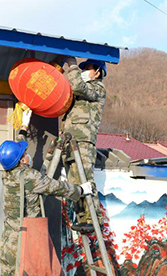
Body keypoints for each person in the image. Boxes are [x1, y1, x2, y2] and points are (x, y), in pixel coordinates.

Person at [0, 109, 92, 276]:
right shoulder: (31, 177)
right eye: (24, 154)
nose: (27, 155)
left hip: (8, 245)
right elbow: (59, 187)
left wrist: (23, 126)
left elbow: (14, 152)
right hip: (27, 247)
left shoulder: (7, 174)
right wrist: (82, 190)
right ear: (22, 161)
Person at [61, 57, 107, 233]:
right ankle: (83, 218)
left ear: (97, 73)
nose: (84, 71)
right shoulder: (82, 90)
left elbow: (78, 86)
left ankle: (94, 218)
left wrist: (72, 66)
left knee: (85, 179)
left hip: (83, 140)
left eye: (88, 68)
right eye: (83, 68)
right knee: (75, 182)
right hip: (70, 138)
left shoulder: (98, 88)